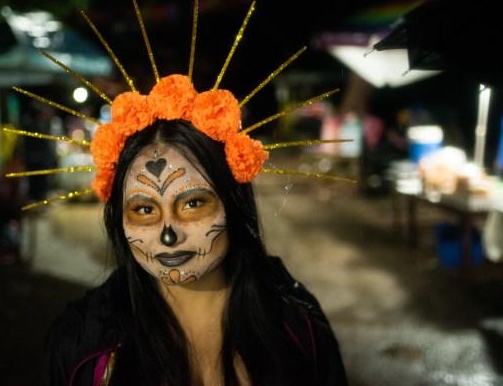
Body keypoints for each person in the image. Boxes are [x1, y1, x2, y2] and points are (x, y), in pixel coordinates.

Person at [39, 72, 348, 384]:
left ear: (233, 203)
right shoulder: (78, 342)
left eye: (193, 204)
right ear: (119, 219)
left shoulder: (297, 325)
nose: (169, 235)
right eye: (144, 210)